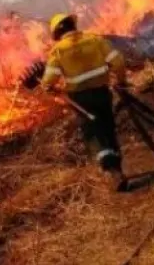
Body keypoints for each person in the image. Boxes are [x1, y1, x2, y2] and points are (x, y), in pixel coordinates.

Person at [39, 13, 130, 192]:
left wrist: (47, 87)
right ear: (73, 25)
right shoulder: (95, 40)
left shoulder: (58, 51)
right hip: (102, 93)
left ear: (56, 33)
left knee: (93, 133)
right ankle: (117, 167)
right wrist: (121, 82)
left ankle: (111, 171)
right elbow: (118, 62)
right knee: (108, 126)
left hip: (80, 99)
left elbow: (48, 81)